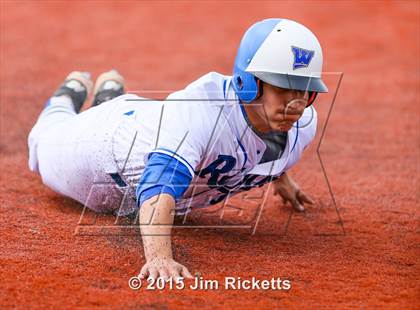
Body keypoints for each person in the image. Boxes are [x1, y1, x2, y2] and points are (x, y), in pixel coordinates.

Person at [28, 18, 328, 280]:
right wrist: (158, 257)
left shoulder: (302, 124)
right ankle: (66, 97)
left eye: (303, 89)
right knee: (41, 145)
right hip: (100, 150)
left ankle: (108, 97)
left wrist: (281, 177)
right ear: (248, 82)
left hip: (147, 123)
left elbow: (262, 144)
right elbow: (159, 185)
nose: (296, 103)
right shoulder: (200, 112)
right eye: (283, 87)